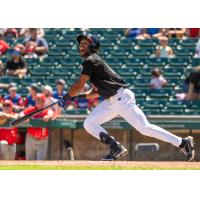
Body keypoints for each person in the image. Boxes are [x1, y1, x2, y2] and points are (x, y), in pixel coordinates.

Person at [58, 34, 195, 161]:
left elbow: (80, 83)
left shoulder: (90, 60)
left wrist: (67, 96)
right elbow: (96, 91)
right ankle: (116, 147)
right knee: (89, 123)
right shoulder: (93, 61)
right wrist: (78, 96)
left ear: (93, 46)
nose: (81, 45)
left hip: (121, 99)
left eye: (85, 43)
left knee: (145, 128)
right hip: (112, 100)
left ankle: (183, 142)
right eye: (80, 44)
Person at [19, 93, 53, 160]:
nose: (38, 101)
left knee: (40, 163)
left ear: (43, 101)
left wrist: (48, 116)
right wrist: (23, 117)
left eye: (40, 100)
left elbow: (51, 113)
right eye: (37, 100)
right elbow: (21, 114)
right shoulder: (31, 109)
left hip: (42, 140)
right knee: (29, 161)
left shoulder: (46, 110)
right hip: (30, 138)